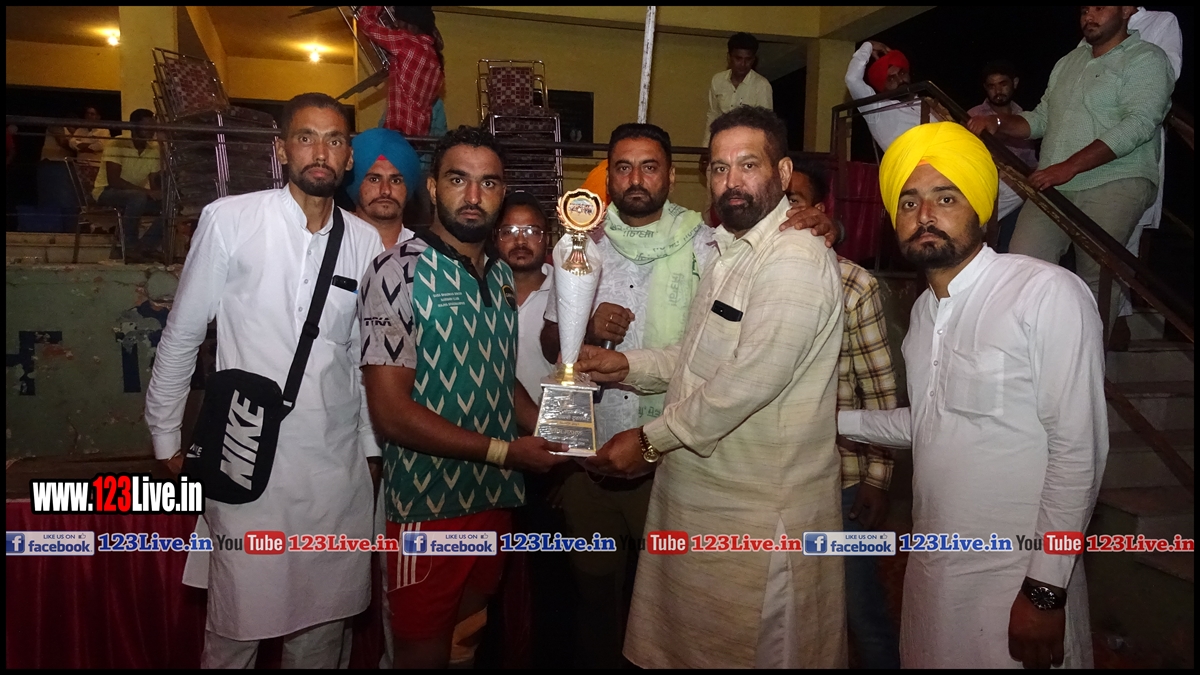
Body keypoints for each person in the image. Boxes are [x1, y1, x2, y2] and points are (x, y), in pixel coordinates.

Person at [539, 122, 839, 668]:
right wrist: (626, 364)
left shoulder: (791, 256)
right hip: (701, 501)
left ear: (783, 173)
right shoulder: (730, 252)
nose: (732, 181)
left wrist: (650, 440)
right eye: (720, 168)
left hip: (753, 516)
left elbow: (748, 380)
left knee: (747, 649)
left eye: (748, 164)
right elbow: (697, 357)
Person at [839, 122, 1107, 668]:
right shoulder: (922, 313)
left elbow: (1079, 449)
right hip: (934, 577)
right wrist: (827, 419)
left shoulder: (1044, 291)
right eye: (909, 202)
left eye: (946, 198)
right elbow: (931, 423)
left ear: (982, 211)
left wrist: (1046, 589)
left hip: (1019, 580)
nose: (925, 214)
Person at [145, 92, 385, 668]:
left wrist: (371, 449)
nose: (320, 152)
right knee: (236, 628)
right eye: (306, 137)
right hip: (244, 457)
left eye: (334, 139)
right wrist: (165, 435)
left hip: (334, 472)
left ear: (349, 156)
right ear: (282, 150)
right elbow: (183, 332)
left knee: (322, 635)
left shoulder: (365, 242)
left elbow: (360, 360)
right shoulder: (231, 220)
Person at [359, 125, 568, 669]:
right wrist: (507, 452)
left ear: (502, 192)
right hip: (428, 508)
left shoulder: (500, 275)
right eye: (458, 180)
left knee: (466, 641)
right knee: (421, 652)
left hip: (494, 498)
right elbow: (391, 413)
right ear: (432, 187)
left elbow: (500, 380)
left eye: (489, 183)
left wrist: (557, 431)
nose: (474, 196)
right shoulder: (396, 271)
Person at [969, 5, 1173, 333]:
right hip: (1054, 183)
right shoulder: (1068, 62)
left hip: (1116, 179)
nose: (1089, 15)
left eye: (1099, 7)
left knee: (1097, 276)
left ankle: (1086, 356)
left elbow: (1139, 123)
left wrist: (1070, 166)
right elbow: (1041, 118)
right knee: (1022, 266)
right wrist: (999, 122)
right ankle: (1031, 348)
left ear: (1126, 10)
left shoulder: (1147, 58)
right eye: (1084, 9)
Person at [787, 162, 901, 669]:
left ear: (819, 211)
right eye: (778, 199)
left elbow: (879, 388)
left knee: (860, 610)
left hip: (844, 479)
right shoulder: (745, 273)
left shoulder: (852, 283)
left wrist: (878, 478)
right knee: (790, 611)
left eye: (796, 200)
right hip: (777, 478)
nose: (785, 212)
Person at [846, 41, 1024, 225]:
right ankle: (969, 224)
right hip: (922, 175)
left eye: (902, 73)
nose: (900, 80)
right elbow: (852, 79)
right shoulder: (877, 109)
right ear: (881, 86)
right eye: (891, 79)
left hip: (956, 167)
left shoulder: (925, 103)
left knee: (1021, 188)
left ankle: (972, 224)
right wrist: (868, 45)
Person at [968, 61, 1038, 252]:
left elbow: (1030, 161)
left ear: (1014, 83)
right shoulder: (975, 116)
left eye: (1003, 84)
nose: (997, 91)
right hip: (989, 188)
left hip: (1018, 196)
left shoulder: (1023, 117)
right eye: (992, 86)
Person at [495, 191, 555, 404]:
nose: (520, 241)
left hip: (549, 418)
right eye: (509, 231)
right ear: (495, 238)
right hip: (489, 420)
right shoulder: (479, 292)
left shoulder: (566, 294)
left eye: (532, 231)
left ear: (547, 239)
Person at [358, 5, 445, 138]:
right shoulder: (435, 58)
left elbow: (366, 22)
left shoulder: (406, 43)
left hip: (398, 133)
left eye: (398, 22)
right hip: (419, 137)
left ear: (406, 23)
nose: (396, 26)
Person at [92, 108, 163, 261]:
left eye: (153, 127)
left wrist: (161, 193)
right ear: (133, 126)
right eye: (147, 126)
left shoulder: (153, 150)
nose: (151, 131)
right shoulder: (117, 143)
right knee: (137, 197)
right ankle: (129, 246)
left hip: (135, 197)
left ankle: (144, 247)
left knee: (172, 206)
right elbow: (114, 181)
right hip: (106, 192)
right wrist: (147, 192)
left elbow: (154, 185)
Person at [348, 126, 421, 248]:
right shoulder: (335, 246)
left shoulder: (423, 253)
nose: (386, 190)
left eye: (395, 181)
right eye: (374, 179)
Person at [703, 32, 773, 145]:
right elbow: (713, 115)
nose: (743, 64)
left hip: (748, 144)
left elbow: (766, 124)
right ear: (729, 57)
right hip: (722, 142)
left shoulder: (761, 85)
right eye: (738, 58)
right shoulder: (718, 80)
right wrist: (706, 146)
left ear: (753, 60)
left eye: (748, 59)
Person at [69, 105, 112, 172]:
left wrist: (81, 146)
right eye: (87, 113)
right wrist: (90, 146)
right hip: (80, 165)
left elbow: (100, 145)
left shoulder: (104, 131)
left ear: (98, 117)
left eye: (92, 114)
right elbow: (71, 143)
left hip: (96, 166)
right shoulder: (80, 130)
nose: (89, 116)